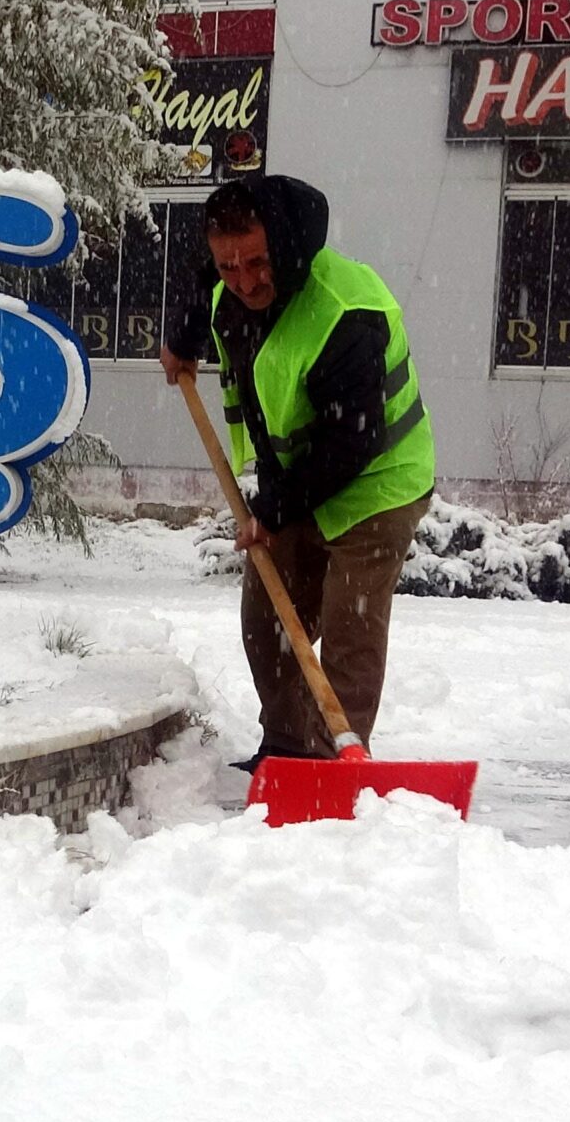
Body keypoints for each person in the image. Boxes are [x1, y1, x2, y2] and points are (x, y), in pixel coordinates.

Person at [159, 176, 437, 771]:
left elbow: (352, 441)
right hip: (302, 474)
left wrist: (271, 510)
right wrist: (183, 338)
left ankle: (329, 763)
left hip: (378, 479)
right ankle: (285, 748)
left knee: (349, 625)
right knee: (267, 617)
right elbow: (202, 282)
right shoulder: (227, 279)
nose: (246, 280)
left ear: (286, 246)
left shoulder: (345, 313)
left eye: (258, 262)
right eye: (230, 265)